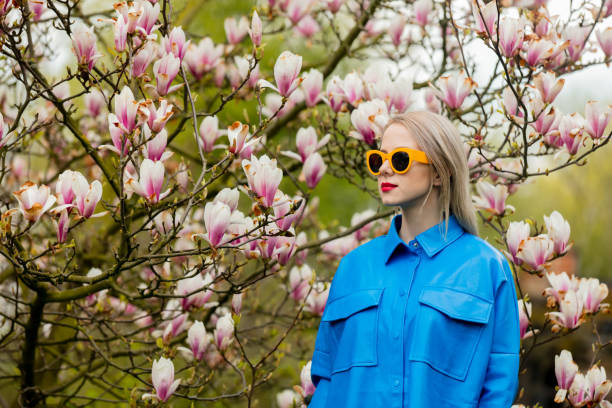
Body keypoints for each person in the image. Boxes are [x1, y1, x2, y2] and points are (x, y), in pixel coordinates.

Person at [308, 111, 520, 408]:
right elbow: (326, 382)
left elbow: (497, 388)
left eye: (399, 159)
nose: (383, 168)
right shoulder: (353, 269)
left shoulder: (486, 269)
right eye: (377, 159)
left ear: (439, 172)